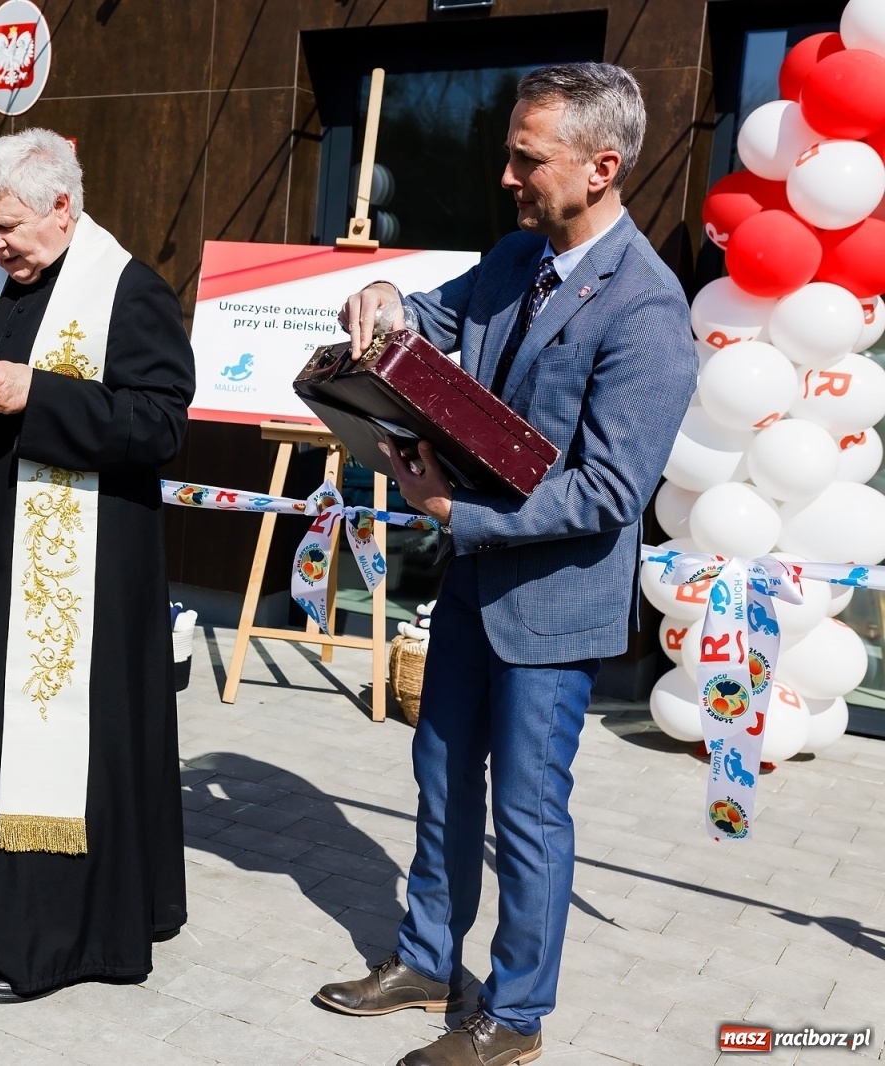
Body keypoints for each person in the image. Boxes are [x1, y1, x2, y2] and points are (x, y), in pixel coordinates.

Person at [316, 64, 697, 1066]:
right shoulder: (515, 257)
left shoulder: (649, 313)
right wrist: (384, 290)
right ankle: (427, 959)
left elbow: (609, 492)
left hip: (552, 607)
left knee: (525, 810)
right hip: (474, 594)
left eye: (527, 159)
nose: (506, 176)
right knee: (439, 775)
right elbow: (431, 319)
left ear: (600, 167)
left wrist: (455, 512)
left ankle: (516, 1014)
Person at [0, 128, 192, 1004]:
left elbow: (163, 422)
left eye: (10, 226)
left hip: (82, 571)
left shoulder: (127, 290)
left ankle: (47, 941)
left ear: (64, 207)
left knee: (51, 742)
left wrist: (40, 394)